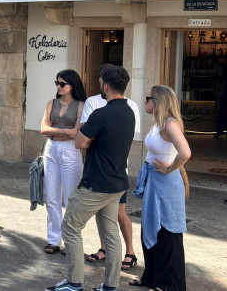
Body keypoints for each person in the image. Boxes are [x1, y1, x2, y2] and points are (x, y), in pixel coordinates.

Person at [48, 65, 136, 291]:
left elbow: (79, 142)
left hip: (96, 184)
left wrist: (89, 137)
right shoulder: (129, 111)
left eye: (100, 83)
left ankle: (74, 282)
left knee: (70, 227)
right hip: (117, 183)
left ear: (105, 86)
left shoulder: (101, 113)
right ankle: (110, 286)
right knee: (112, 234)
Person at [129, 85, 191, 291]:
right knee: (150, 227)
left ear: (158, 101)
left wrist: (171, 168)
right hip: (154, 182)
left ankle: (168, 284)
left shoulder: (170, 124)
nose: (145, 102)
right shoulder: (158, 123)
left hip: (166, 185)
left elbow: (185, 152)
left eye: (148, 98)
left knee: (167, 231)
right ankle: (152, 278)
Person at [83, 66, 142, 270]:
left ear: (105, 84)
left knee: (120, 214)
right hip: (99, 170)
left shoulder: (131, 106)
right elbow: (87, 136)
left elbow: (90, 139)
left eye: (100, 80)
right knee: (103, 214)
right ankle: (104, 248)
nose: (99, 84)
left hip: (117, 171)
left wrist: (99, 136)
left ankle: (130, 251)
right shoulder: (92, 102)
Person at [40, 70, 86, 255]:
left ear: (72, 85)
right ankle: (53, 240)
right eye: (57, 83)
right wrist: (62, 131)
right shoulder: (51, 103)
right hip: (51, 150)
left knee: (70, 198)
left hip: (70, 151)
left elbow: (77, 132)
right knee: (51, 197)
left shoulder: (81, 105)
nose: (58, 87)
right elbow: (43, 128)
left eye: (62, 84)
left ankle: (70, 240)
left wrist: (56, 130)